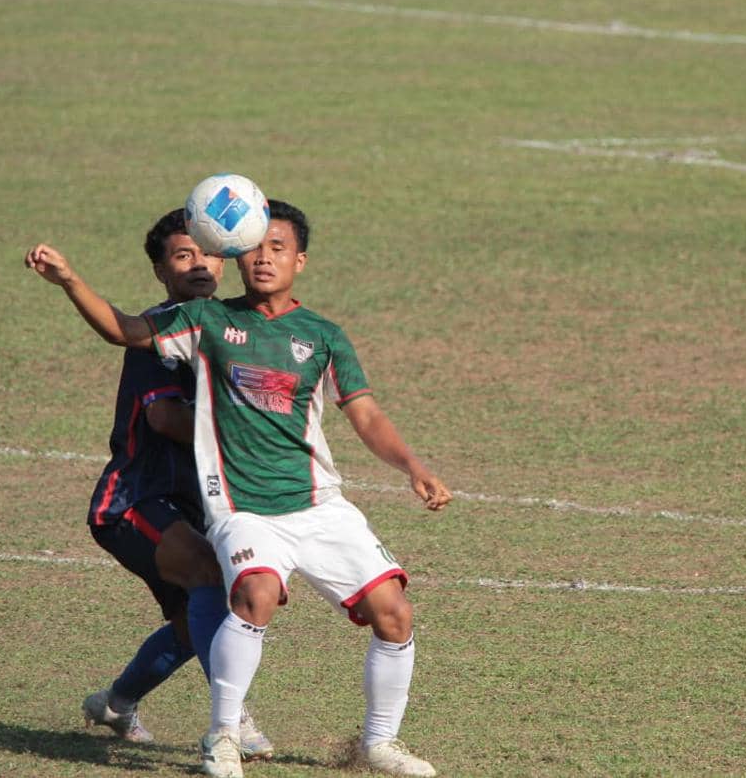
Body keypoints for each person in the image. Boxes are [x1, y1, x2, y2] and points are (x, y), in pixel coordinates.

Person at [26, 199, 451, 778]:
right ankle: (223, 737)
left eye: (278, 248)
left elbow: (367, 415)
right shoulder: (206, 321)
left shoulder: (323, 335)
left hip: (320, 506)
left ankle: (380, 744)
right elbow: (123, 330)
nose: (264, 258)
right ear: (237, 255)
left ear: (300, 260)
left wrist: (412, 466)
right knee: (252, 595)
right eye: (253, 248)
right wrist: (71, 281)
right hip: (242, 508)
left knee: (394, 612)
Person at [76, 208, 272, 760]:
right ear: (162, 272)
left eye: (209, 253)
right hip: (133, 499)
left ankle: (115, 703)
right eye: (183, 256)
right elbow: (165, 420)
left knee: (196, 623)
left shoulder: (230, 329)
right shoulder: (160, 329)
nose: (200, 264)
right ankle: (232, 724)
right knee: (211, 578)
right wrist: (250, 423)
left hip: (195, 503)